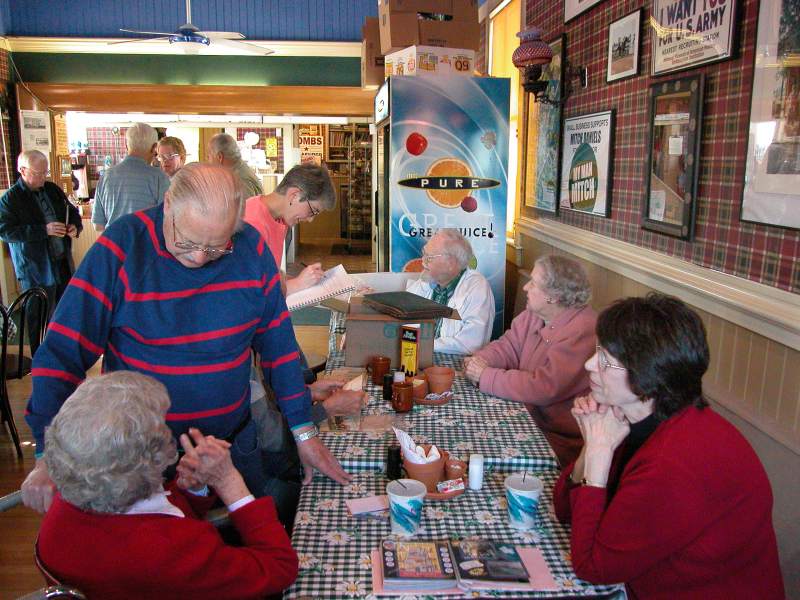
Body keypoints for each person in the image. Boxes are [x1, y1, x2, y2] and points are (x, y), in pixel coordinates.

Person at [22, 162, 350, 515]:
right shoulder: (121, 246)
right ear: (168, 206)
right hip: (140, 463)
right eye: (188, 241)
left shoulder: (249, 247)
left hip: (230, 449)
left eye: (215, 248)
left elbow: (279, 346)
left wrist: (304, 430)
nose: (198, 258)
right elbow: (60, 354)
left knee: (238, 551)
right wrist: (46, 455)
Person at [553, 294, 784, 599]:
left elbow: (594, 567)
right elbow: (564, 510)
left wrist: (598, 451)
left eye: (606, 359)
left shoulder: (677, 461)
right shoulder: (637, 419)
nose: (590, 364)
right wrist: (593, 447)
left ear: (649, 376)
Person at [38, 371, 298, 599]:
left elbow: (150, 516)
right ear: (145, 463)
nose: (167, 430)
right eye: (160, 426)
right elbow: (279, 568)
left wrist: (193, 488)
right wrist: (228, 481)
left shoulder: (62, 511)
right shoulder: (169, 550)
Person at [464, 255, 595, 466]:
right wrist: (479, 360)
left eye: (533, 283)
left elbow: (544, 387)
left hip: (555, 438)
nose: (525, 288)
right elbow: (507, 347)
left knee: (475, 454)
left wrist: (486, 375)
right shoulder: (534, 313)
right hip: (524, 416)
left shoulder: (582, 330)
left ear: (553, 296)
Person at [0, 150, 82, 356]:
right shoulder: (10, 199)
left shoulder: (52, 189)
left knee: (64, 311)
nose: (43, 178)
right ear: (22, 170)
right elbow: (6, 231)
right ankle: (39, 358)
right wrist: (43, 230)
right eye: (38, 173)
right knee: (37, 314)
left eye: (45, 173)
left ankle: (62, 353)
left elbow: (70, 211)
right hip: (35, 266)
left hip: (61, 260)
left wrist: (74, 226)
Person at [244, 163, 336, 295]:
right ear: (294, 195)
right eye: (312, 211)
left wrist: (306, 281)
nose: (310, 220)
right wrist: (298, 283)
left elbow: (270, 276)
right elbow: (250, 292)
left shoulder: (279, 220)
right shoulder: (252, 224)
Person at [406, 229, 494, 355]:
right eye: (424, 254)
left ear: (451, 263)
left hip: (456, 363)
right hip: (418, 354)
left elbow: (471, 344)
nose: (423, 262)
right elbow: (402, 318)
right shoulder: (426, 281)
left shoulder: (477, 287)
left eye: (429, 258)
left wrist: (423, 344)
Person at [92, 122, 170, 231]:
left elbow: (98, 225)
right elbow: (166, 220)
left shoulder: (106, 177)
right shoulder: (159, 177)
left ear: (126, 145)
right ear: (154, 148)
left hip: (114, 245)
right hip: (145, 245)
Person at [208, 133, 263, 198]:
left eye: (208, 156)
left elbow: (246, 207)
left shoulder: (239, 181)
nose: (208, 162)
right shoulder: (238, 170)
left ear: (220, 157)